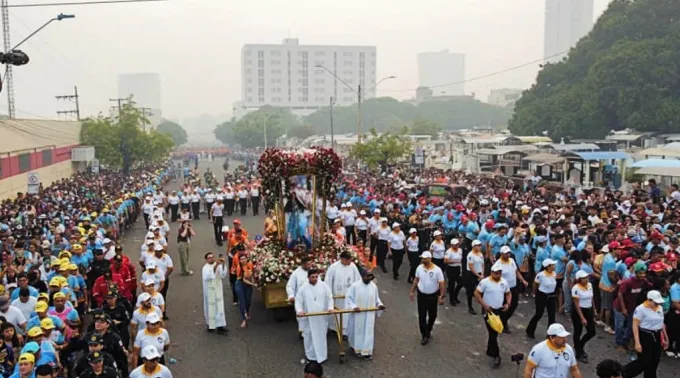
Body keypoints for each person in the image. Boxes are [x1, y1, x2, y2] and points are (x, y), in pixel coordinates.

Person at [623, 290, 668, 378]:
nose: (657, 304)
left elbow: (661, 323)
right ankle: (624, 373)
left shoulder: (659, 308)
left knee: (655, 359)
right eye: (655, 302)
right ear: (649, 300)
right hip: (645, 335)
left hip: (657, 335)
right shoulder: (641, 309)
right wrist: (637, 342)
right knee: (644, 360)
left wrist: (665, 337)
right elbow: (635, 325)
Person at [475, 264, 511, 367]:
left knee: (494, 332)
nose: (498, 275)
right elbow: (477, 294)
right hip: (488, 311)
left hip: (499, 310)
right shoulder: (485, 282)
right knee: (493, 332)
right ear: (491, 272)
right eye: (496, 273)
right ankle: (496, 355)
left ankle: (490, 349)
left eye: (499, 273)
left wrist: (508, 303)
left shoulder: (504, 282)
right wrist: (484, 305)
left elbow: (508, 293)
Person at [295, 269, 334, 363]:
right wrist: (299, 311)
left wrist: (330, 307)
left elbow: (329, 297)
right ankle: (310, 356)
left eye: (316, 277)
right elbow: (298, 301)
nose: (315, 279)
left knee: (321, 337)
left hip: (321, 318)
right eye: (312, 277)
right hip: (309, 318)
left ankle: (322, 356)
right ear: (308, 277)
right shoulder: (303, 288)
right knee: (309, 337)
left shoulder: (324, 286)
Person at [345, 271, 385, 360]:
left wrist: (379, 305)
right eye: (367, 276)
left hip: (369, 314)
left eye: (370, 277)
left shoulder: (373, 287)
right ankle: (356, 348)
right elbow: (349, 298)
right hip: (358, 314)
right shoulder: (355, 286)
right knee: (357, 330)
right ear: (362, 276)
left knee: (368, 332)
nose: (369, 279)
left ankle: (366, 351)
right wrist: (354, 307)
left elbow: (377, 299)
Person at [409, 251, 445, 346]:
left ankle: (429, 329)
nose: (423, 260)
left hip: (432, 296)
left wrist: (441, 296)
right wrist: (412, 291)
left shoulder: (437, 270)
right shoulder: (419, 268)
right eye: (422, 258)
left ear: (430, 259)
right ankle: (424, 335)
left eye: (425, 258)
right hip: (421, 295)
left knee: (433, 315)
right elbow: (416, 280)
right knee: (422, 315)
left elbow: (441, 283)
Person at [492, 245, 527, 331]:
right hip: (504, 289)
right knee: (505, 306)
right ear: (501, 254)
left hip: (513, 287)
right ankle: (503, 324)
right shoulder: (498, 264)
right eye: (506, 253)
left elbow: (516, 271)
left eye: (509, 253)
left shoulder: (511, 260)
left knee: (514, 304)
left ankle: (504, 320)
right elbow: (494, 277)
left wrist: (522, 280)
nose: (508, 255)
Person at [324, 251, 361, 335]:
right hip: (337, 296)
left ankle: (345, 331)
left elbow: (357, 279)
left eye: (350, 260)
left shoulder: (353, 266)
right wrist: (329, 294)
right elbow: (328, 281)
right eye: (348, 260)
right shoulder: (334, 267)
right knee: (337, 313)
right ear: (342, 259)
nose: (349, 262)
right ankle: (334, 328)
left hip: (349, 295)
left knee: (347, 314)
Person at [526, 259, 558, 339]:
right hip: (542, 295)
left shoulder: (554, 274)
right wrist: (535, 294)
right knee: (539, 314)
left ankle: (550, 334)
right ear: (547, 267)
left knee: (552, 316)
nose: (554, 266)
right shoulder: (541, 275)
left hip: (551, 296)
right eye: (552, 265)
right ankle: (530, 330)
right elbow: (535, 284)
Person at [571, 270, 596, 364]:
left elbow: (591, 297)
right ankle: (578, 352)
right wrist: (582, 317)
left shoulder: (590, 285)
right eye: (584, 278)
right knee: (578, 331)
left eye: (587, 277)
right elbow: (576, 304)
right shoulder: (576, 288)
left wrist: (594, 309)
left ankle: (580, 345)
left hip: (588, 309)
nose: (586, 279)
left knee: (592, 331)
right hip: (579, 311)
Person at [201, 252, 228, 334]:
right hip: (210, 291)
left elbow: (223, 275)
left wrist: (223, 264)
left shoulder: (218, 265)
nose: (212, 258)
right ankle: (211, 325)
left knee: (220, 307)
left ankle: (220, 326)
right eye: (209, 257)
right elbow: (209, 276)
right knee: (211, 308)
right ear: (206, 259)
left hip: (218, 289)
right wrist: (216, 265)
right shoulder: (205, 268)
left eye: (213, 257)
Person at [287, 256, 312, 337]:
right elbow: (290, 286)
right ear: (303, 264)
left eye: (310, 264)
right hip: (301, 300)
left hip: (312, 298)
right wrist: (291, 296)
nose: (310, 266)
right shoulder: (296, 273)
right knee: (302, 317)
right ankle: (302, 333)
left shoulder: (312, 272)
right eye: (308, 264)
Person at [234, 254, 254, 328]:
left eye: (244, 258)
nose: (243, 260)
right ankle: (244, 320)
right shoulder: (239, 268)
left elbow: (252, 274)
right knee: (242, 302)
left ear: (247, 259)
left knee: (248, 301)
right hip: (240, 285)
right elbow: (244, 280)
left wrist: (253, 281)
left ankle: (247, 312)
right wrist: (253, 284)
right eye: (241, 259)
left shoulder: (250, 264)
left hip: (248, 285)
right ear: (239, 260)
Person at [443, 239, 463, 306]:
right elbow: (445, 261)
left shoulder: (460, 250)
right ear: (452, 245)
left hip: (458, 268)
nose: (457, 245)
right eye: (455, 244)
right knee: (452, 284)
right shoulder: (449, 252)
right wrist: (455, 261)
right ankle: (452, 299)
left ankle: (455, 296)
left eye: (458, 244)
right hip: (451, 269)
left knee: (460, 283)